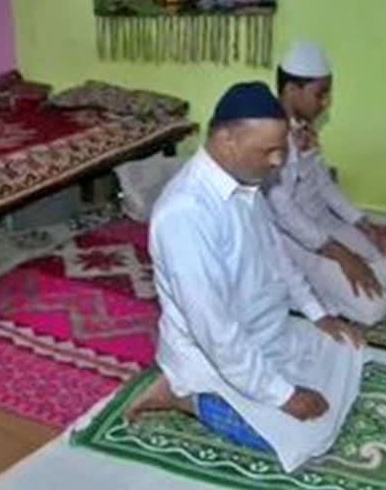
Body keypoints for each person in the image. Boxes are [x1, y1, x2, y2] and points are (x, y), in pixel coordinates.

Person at [126, 82, 366, 472]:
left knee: (349, 348)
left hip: (267, 333)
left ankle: (260, 389)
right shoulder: (185, 214)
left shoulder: (248, 186)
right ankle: (184, 395)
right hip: (215, 357)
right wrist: (285, 396)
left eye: (280, 150)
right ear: (227, 141)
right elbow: (215, 331)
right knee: (309, 436)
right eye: (267, 151)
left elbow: (278, 258)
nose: (276, 162)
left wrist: (316, 313)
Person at [264, 40, 386, 326]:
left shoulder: (303, 129)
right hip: (296, 240)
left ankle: (333, 285)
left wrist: (365, 226)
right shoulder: (269, 135)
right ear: (292, 90)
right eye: (320, 94)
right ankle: (305, 291)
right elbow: (283, 212)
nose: (325, 103)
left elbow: (325, 186)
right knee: (375, 310)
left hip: (325, 226)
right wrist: (341, 255)